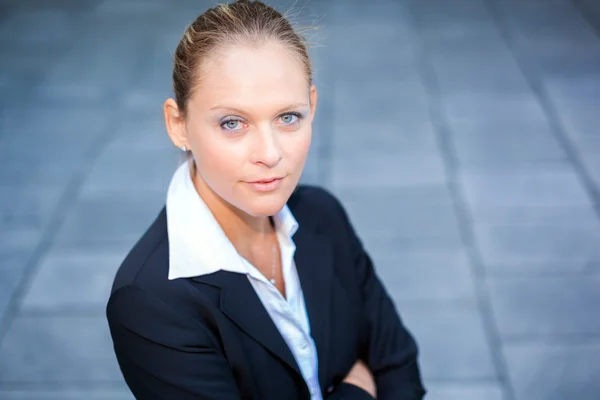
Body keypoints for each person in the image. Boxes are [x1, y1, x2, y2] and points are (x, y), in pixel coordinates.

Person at [106, 1, 426, 399]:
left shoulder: (323, 214)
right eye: (233, 123)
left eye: (288, 117)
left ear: (312, 105)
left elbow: (398, 366)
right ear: (179, 124)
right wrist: (358, 391)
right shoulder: (151, 301)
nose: (271, 153)